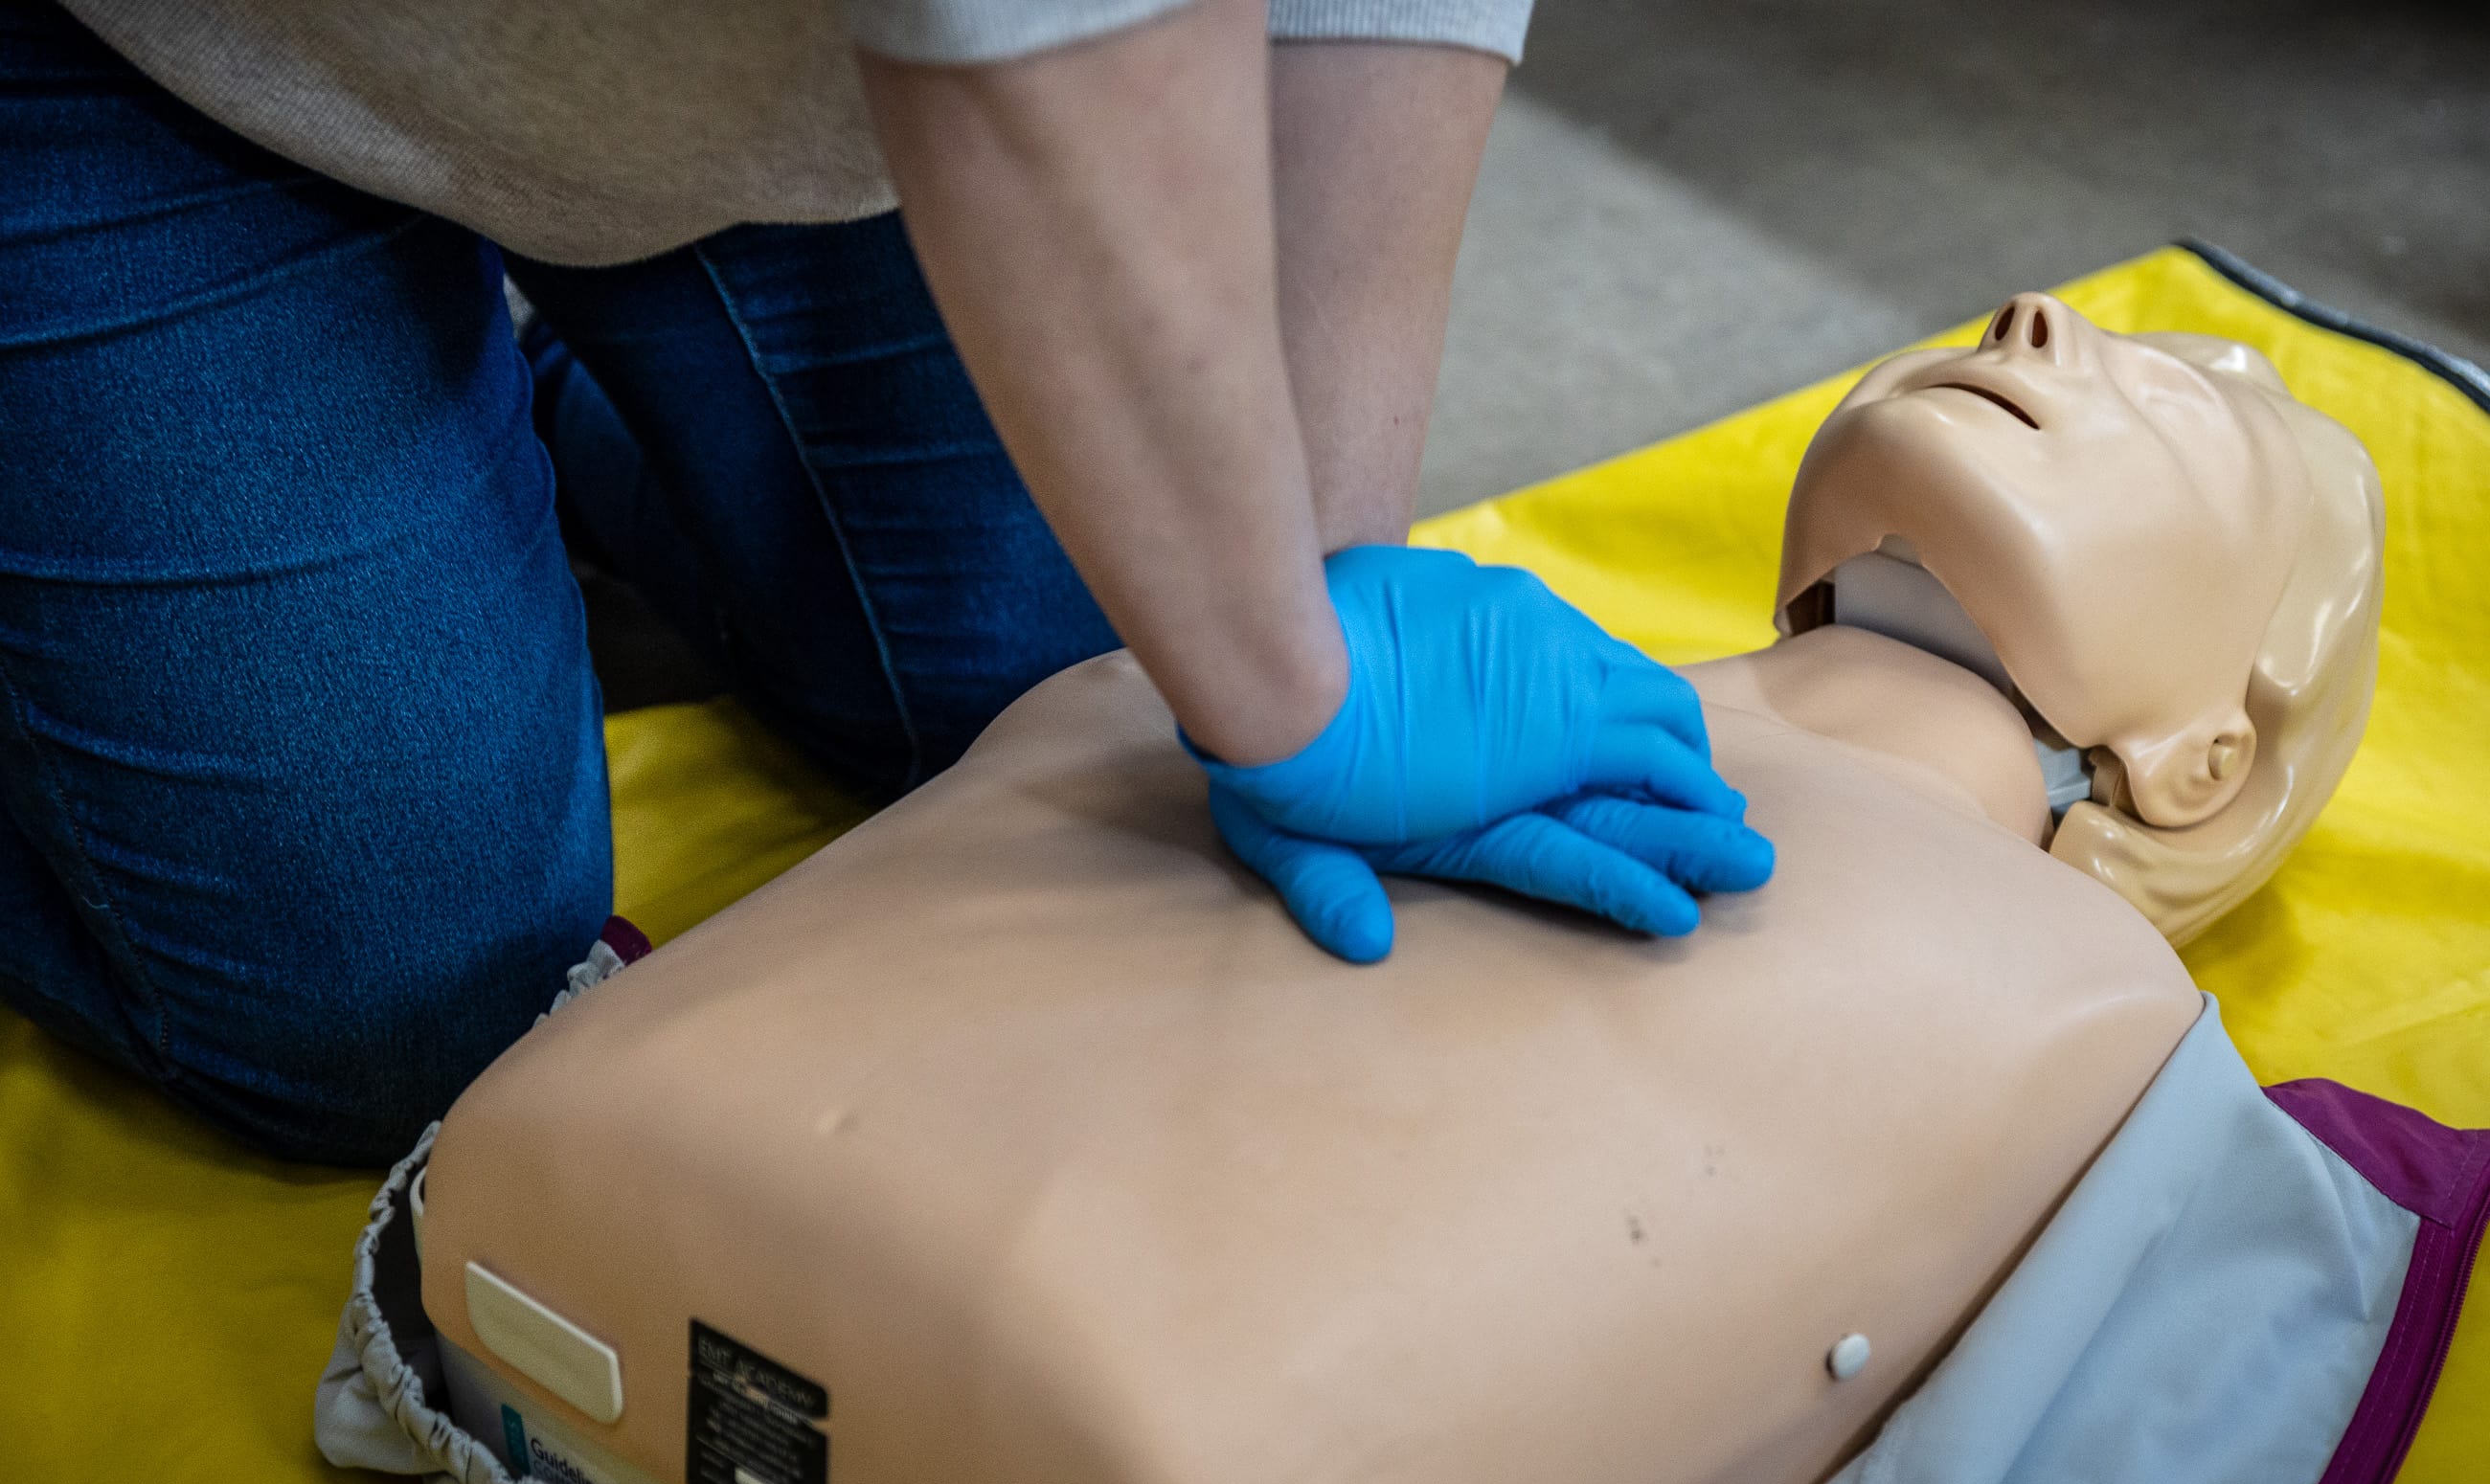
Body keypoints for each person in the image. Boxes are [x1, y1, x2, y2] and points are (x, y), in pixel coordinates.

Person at [406, 302, 2383, 1484]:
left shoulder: (2060, 1003)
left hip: (669, 1268)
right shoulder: (1364, 666)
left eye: (2165, 407)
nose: (2034, 318)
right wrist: (1292, 635)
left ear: (2209, 765)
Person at [0, 0, 1770, 1166]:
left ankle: (476, 439)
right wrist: (1286, 690)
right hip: (164, 54)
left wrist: (1328, 579)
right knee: (390, 1003)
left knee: (1074, 691)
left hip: (746, 69)